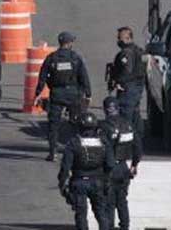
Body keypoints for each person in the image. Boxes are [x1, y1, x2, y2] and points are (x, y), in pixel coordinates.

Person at [34, 31, 92, 161]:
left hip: (57, 94)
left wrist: (37, 94)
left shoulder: (51, 58)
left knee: (53, 125)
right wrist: (88, 94)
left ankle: (52, 152)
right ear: (70, 43)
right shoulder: (75, 58)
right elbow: (84, 77)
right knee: (76, 124)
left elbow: (42, 78)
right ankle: (78, 152)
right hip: (73, 95)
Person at [58, 112, 114, 230]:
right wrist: (106, 179)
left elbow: (65, 167)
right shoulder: (103, 142)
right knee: (101, 213)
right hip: (98, 181)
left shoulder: (74, 143)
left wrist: (62, 184)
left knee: (81, 214)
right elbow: (110, 164)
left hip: (79, 181)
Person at [101, 96, 141, 230]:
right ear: (118, 108)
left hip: (109, 169)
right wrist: (134, 165)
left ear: (105, 110)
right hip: (124, 168)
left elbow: (101, 150)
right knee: (122, 201)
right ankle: (125, 227)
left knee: (109, 203)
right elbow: (137, 147)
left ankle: (109, 227)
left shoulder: (104, 127)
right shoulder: (128, 125)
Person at [107, 27, 145, 133]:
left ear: (128, 38)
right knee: (135, 113)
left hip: (128, 88)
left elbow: (126, 71)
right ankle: (138, 138)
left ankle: (127, 140)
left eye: (120, 38)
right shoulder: (139, 50)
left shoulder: (126, 53)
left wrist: (119, 82)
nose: (118, 41)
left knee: (125, 116)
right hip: (137, 87)